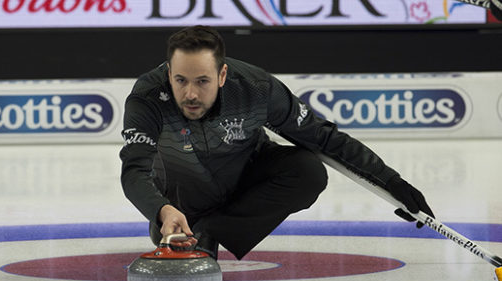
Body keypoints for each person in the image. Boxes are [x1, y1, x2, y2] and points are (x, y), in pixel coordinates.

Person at [119, 25, 434, 260]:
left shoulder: (256, 89)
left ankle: (210, 232)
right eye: (180, 80)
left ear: (222, 75)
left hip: (246, 171)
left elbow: (323, 137)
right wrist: (162, 210)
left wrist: (392, 182)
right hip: (184, 193)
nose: (190, 93)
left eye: (202, 81)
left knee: (308, 172)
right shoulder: (147, 98)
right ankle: (183, 224)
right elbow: (134, 171)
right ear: (169, 73)